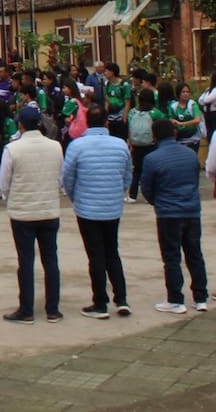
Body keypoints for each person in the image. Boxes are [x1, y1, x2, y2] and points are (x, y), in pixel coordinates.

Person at [61, 105, 133, 319]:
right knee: (112, 251)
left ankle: (100, 303)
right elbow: (127, 174)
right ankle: (121, 299)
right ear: (106, 123)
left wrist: (76, 198)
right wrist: (117, 192)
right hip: (112, 206)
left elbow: (68, 177)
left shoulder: (77, 146)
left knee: (96, 255)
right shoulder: (120, 145)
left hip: (87, 208)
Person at [0, 104, 64, 324]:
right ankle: (52, 309)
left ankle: (26, 309)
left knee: (25, 261)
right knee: (50, 259)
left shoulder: (13, 148)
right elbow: (60, 178)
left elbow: (3, 182)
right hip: (48, 209)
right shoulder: (55, 147)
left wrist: (12, 199)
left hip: (22, 212)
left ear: (21, 125)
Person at [142, 118, 208, 314]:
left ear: (154, 136)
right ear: (175, 133)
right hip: (191, 210)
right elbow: (195, 179)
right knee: (195, 254)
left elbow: (146, 188)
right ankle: (200, 297)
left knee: (171, 256)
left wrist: (158, 202)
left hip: (168, 212)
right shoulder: (190, 155)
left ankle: (176, 299)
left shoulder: (152, 158)